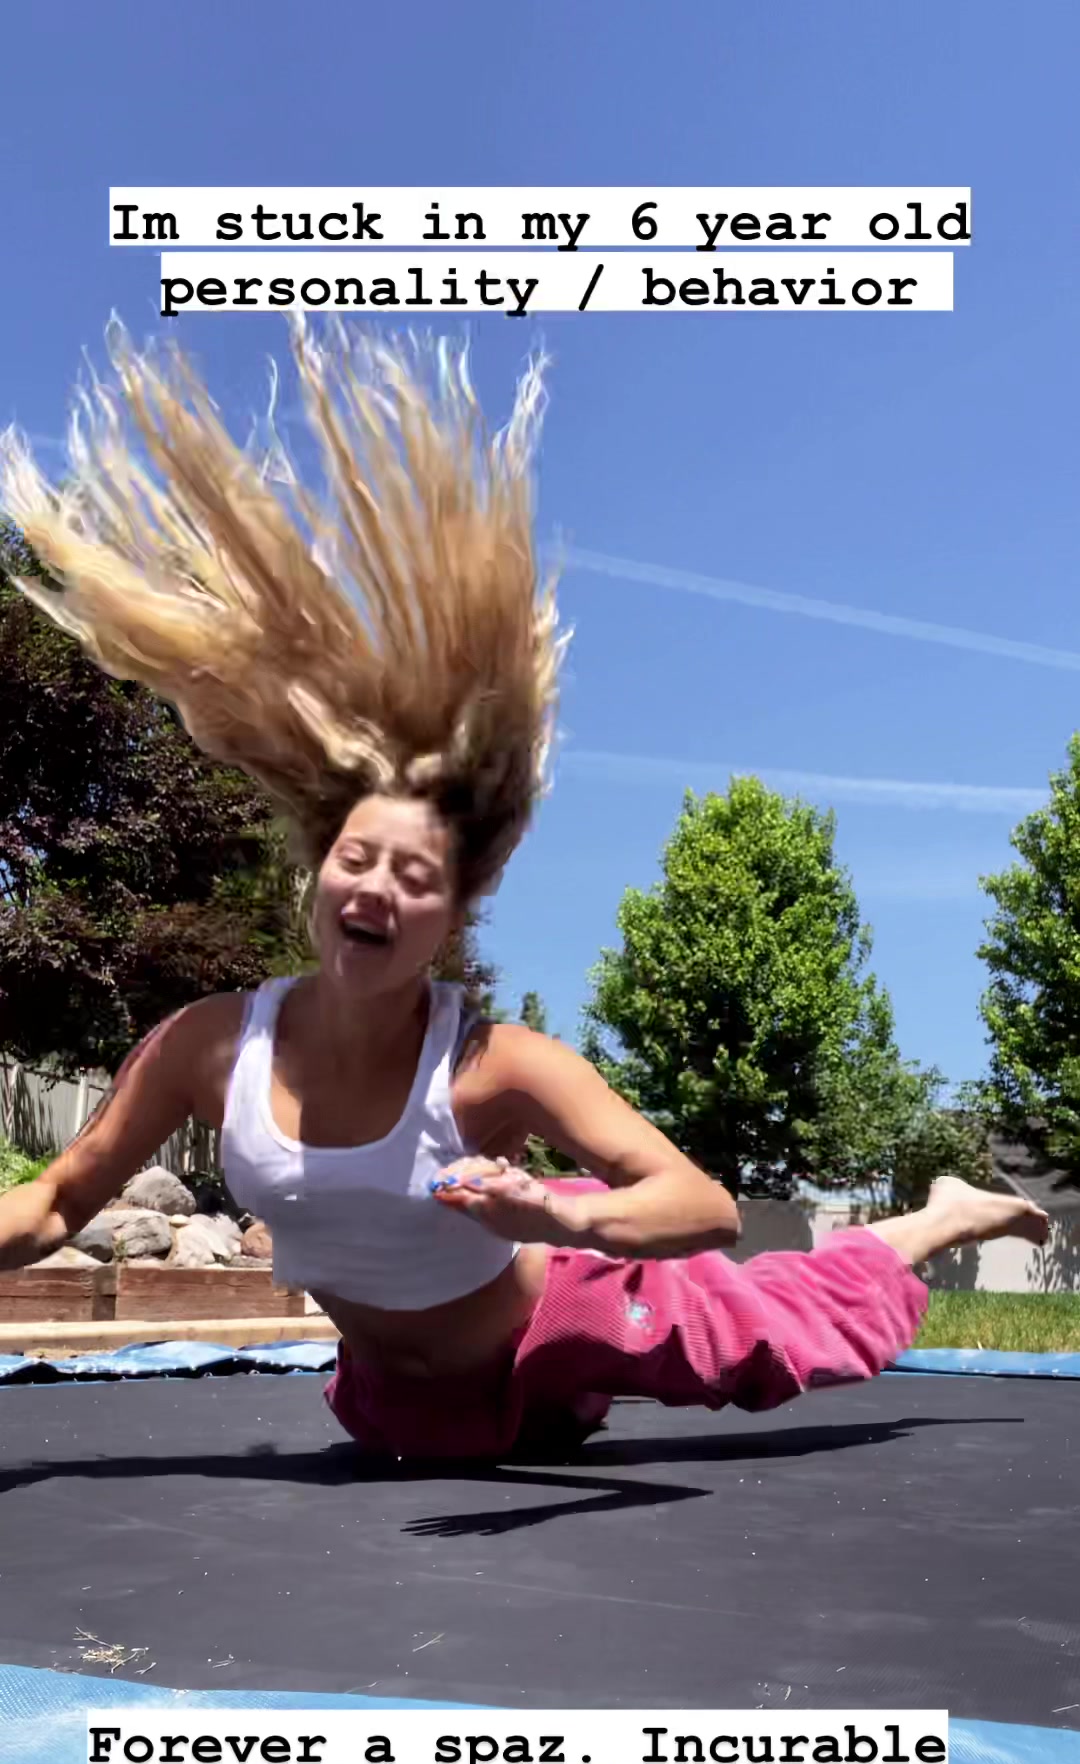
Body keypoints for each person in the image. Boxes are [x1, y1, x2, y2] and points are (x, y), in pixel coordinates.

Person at [0, 323, 1047, 1462]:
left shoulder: (492, 1065)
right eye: (357, 860)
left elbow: (704, 1208)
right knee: (439, 1451)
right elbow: (55, 1202)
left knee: (772, 1341)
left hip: (573, 1315)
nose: (377, 889)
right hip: (413, 1407)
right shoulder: (209, 1048)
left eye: (416, 878)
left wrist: (552, 1210)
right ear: (317, 870)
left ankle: (933, 1218)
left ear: (453, 917)